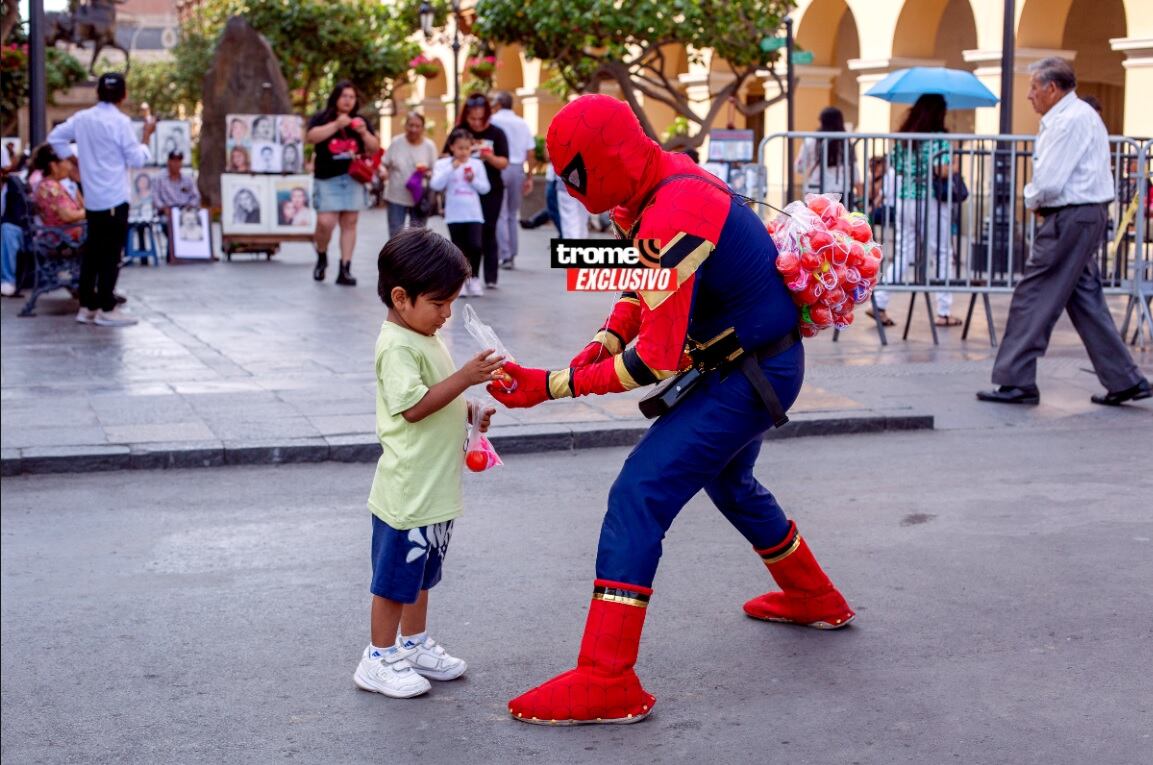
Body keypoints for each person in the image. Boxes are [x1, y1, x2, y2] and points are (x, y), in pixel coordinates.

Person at [488, 95, 854, 726]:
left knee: (640, 493)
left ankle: (608, 677)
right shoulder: (657, 184)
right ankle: (815, 595)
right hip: (753, 361)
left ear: (604, 162)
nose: (574, 195)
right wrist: (598, 345)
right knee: (732, 483)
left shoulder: (676, 202)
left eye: (576, 178)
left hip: (749, 370)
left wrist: (548, 386)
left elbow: (653, 363)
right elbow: (645, 282)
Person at [353, 226, 503, 699]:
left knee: (420, 576)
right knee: (395, 581)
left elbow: (437, 397)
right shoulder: (397, 346)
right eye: (439, 303)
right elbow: (414, 406)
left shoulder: (424, 336)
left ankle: (413, 645)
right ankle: (377, 657)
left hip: (434, 489)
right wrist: (465, 378)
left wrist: (470, 410)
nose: (447, 313)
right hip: (407, 493)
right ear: (402, 298)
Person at [978, 58, 1150, 407]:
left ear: (1052, 89)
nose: (1029, 96)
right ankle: (1125, 378)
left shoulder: (1068, 120)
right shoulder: (1079, 116)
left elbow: (1050, 182)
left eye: (1033, 88)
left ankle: (1017, 379)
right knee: (1084, 297)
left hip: (1070, 216)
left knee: (1034, 294)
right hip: (1083, 215)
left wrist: (1030, 198)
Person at [48, 72, 153, 327]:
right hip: (114, 197)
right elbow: (137, 159)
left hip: (93, 197)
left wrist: (74, 160)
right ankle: (106, 306)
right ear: (123, 95)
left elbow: (55, 138)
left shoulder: (83, 118)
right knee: (111, 253)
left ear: (98, 93)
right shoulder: (120, 122)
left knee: (93, 251)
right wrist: (148, 135)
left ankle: (86, 306)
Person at [870, 94, 958, 328]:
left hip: (904, 199)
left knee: (904, 252)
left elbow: (897, 168)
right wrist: (954, 160)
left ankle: (879, 300)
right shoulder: (938, 139)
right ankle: (944, 310)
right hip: (930, 200)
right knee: (942, 252)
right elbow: (942, 170)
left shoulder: (905, 139)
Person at [306, 80, 380, 286]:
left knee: (350, 223)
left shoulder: (360, 121)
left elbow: (375, 148)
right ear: (336, 97)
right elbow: (311, 137)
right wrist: (336, 125)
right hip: (326, 179)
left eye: (352, 97)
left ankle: (345, 268)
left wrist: (364, 132)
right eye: (344, 96)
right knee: (325, 223)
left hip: (353, 178)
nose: (348, 100)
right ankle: (322, 256)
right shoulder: (322, 118)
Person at [444, 94, 508, 289]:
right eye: (472, 118)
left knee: (488, 230)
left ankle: (489, 277)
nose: (476, 122)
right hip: (463, 190)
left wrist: (487, 156)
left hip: (491, 189)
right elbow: (445, 155)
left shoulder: (497, 133)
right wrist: (462, 154)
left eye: (480, 118)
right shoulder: (459, 132)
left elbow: (504, 162)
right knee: (465, 235)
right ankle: (466, 276)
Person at [430, 128, 490, 297]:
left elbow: (485, 188)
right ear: (452, 147)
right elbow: (436, 185)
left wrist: (474, 180)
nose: (464, 152)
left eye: (467, 148)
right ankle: (461, 281)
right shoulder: (443, 164)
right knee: (459, 248)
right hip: (454, 214)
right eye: (460, 148)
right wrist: (451, 167)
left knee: (476, 246)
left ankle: (475, 278)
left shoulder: (476, 164)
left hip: (474, 213)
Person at [489, 91, 535, 270]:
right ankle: (512, 253)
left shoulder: (493, 121)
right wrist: (529, 176)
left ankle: (504, 254)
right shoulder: (522, 123)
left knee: (500, 213)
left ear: (499, 104)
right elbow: (530, 152)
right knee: (512, 213)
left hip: (499, 167)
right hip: (517, 168)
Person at [383, 112, 438, 238]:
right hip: (396, 196)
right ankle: (395, 258)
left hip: (419, 199)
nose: (414, 129)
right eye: (411, 125)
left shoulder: (429, 146)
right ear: (405, 126)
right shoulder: (396, 142)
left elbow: (435, 170)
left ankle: (414, 259)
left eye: (418, 126)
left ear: (423, 128)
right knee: (395, 236)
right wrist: (383, 171)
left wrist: (427, 172)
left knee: (417, 237)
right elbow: (384, 163)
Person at [795, 106, 858, 200]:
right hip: (841, 191)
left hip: (816, 189)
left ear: (822, 121)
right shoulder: (846, 143)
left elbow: (799, 167)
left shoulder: (810, 140)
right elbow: (855, 173)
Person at [30, 144, 86, 239]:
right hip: (64, 239)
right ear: (54, 166)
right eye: (67, 162)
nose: (70, 167)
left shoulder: (49, 184)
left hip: (63, 236)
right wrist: (91, 212)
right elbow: (67, 216)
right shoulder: (50, 187)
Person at [154, 150, 200, 218]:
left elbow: (196, 196)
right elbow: (156, 198)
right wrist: (163, 208)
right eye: (174, 161)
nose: (176, 163)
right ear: (168, 162)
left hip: (185, 212)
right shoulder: (160, 179)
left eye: (179, 161)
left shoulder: (188, 179)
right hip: (166, 214)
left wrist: (190, 206)